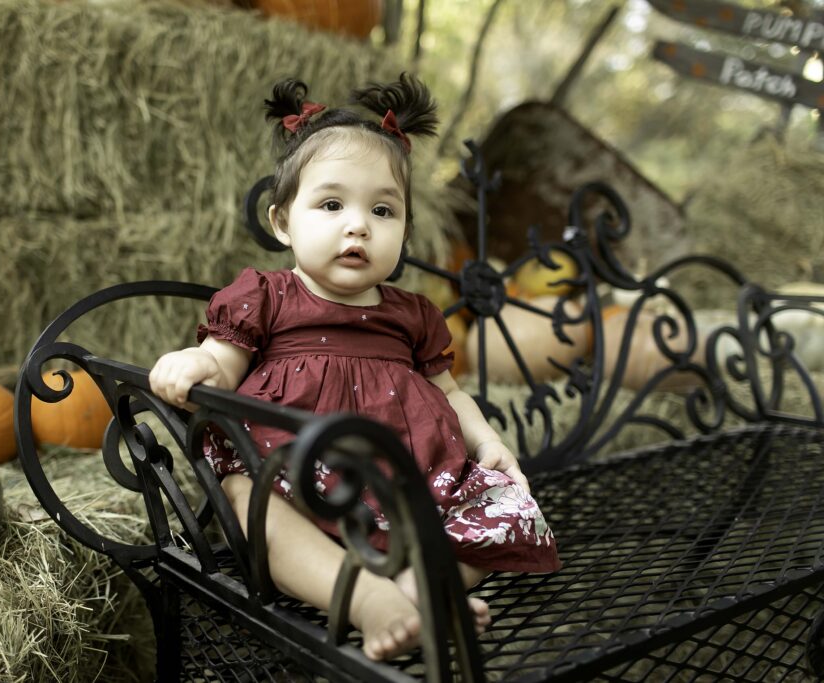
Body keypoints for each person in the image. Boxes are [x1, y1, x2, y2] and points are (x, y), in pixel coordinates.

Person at [149, 73, 560, 662]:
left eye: (383, 210)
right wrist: (192, 363)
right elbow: (221, 362)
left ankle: (421, 591)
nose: (358, 225)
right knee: (249, 500)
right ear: (283, 222)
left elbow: (448, 391)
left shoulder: (412, 314)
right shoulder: (266, 295)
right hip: (295, 470)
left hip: (407, 477)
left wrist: (488, 441)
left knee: (506, 504)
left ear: (403, 233)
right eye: (332, 204)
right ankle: (367, 599)